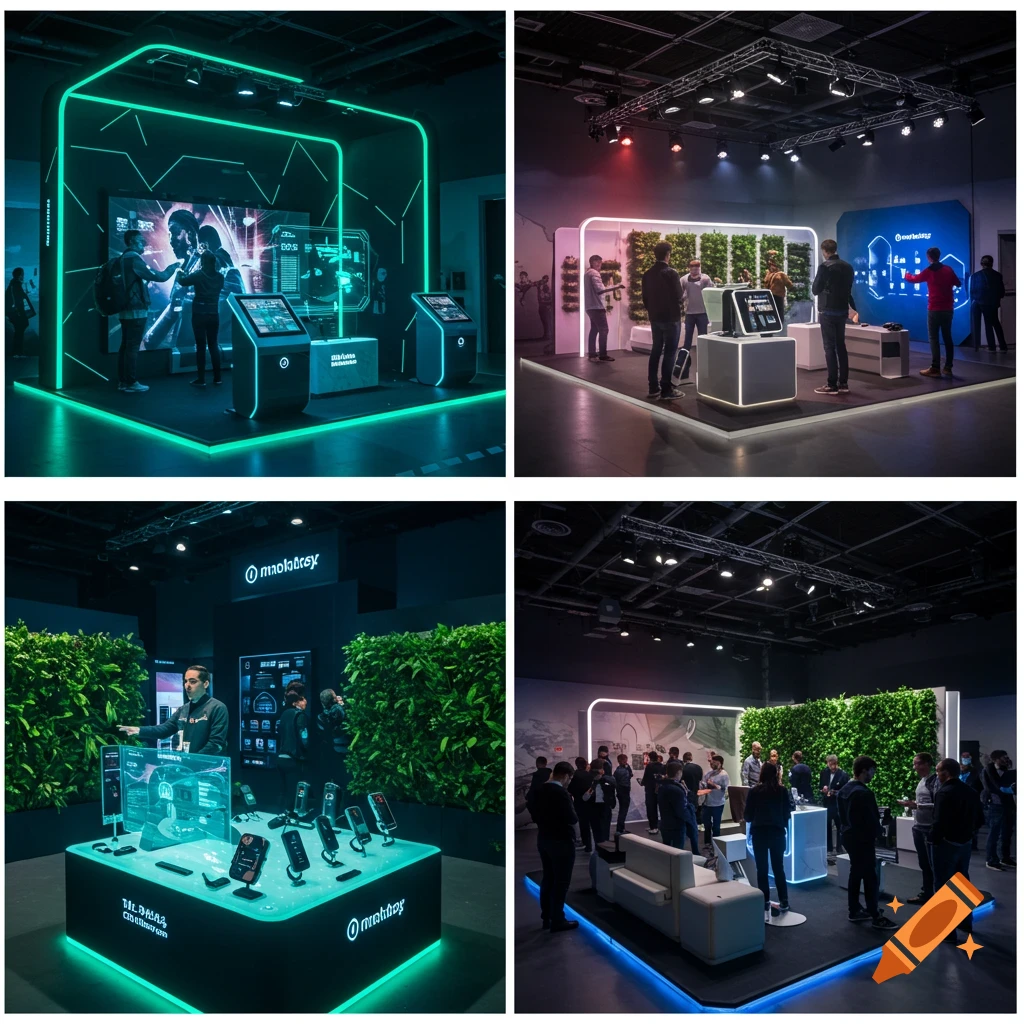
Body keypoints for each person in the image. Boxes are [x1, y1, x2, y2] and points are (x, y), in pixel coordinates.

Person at [115, 229, 181, 392]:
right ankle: (130, 382)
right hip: (136, 310)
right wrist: (173, 268)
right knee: (132, 347)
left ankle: (123, 381)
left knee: (125, 346)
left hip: (125, 309)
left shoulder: (122, 259)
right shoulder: (133, 259)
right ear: (131, 241)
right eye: (139, 240)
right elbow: (159, 276)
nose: (144, 243)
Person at [929, 757, 986, 942]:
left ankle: (947, 932)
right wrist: (968, 835)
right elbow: (980, 819)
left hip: (946, 844)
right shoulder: (970, 791)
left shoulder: (944, 793)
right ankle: (966, 922)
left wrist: (934, 840)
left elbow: (939, 823)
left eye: (938, 771)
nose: (937, 775)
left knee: (943, 885)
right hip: (965, 844)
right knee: (961, 883)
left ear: (946, 773)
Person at [838, 755, 898, 930]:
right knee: (870, 876)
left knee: (855, 872)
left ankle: (855, 909)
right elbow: (871, 820)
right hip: (862, 839)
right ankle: (875, 915)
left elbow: (842, 817)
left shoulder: (843, 790)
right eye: (872, 771)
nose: (873, 774)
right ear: (864, 770)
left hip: (849, 836)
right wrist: (880, 834)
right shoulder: (864, 793)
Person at [117, 665, 227, 755]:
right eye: (185, 681)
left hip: (208, 770)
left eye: (192, 681)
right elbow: (164, 730)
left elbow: (215, 744)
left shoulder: (217, 708)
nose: (187, 686)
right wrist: (138, 730)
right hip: (187, 768)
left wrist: (195, 762)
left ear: (205, 684)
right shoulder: (183, 709)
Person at [532, 760, 580, 931]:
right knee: (561, 882)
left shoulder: (538, 790)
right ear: (566, 775)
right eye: (570, 778)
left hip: (543, 838)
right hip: (562, 841)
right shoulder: (561, 793)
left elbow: (533, 811)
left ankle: (546, 917)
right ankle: (558, 920)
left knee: (548, 878)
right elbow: (572, 818)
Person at [904, 247, 962, 378]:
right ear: (939, 255)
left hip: (934, 309)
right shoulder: (948, 269)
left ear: (929, 257)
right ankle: (948, 367)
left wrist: (906, 275)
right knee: (948, 337)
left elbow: (914, 279)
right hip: (948, 309)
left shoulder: (929, 271)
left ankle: (935, 368)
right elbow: (958, 283)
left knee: (933, 338)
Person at [744, 761, 791, 918]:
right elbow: (787, 814)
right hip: (777, 833)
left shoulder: (754, 791)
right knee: (779, 868)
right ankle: (784, 900)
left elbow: (748, 815)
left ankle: (765, 901)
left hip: (759, 834)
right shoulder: (782, 791)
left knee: (762, 869)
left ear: (761, 773)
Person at [641, 241, 685, 401]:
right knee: (670, 352)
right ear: (668, 254)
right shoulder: (671, 273)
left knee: (656, 350)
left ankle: (653, 387)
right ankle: (667, 389)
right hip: (671, 318)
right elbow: (679, 295)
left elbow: (645, 298)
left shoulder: (647, 274)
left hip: (655, 318)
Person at [811, 238, 854, 396]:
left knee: (829, 348)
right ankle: (843, 383)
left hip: (827, 311)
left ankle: (831, 385)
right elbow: (849, 289)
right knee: (841, 346)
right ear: (835, 249)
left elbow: (815, 289)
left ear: (824, 251)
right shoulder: (848, 267)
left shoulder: (824, 267)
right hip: (842, 311)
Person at [895, 752, 940, 903]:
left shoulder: (935, 781)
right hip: (919, 827)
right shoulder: (923, 781)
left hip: (929, 828)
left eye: (918, 763)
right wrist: (914, 803)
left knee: (933, 864)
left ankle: (936, 895)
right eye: (914, 764)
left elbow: (939, 805)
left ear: (928, 764)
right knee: (924, 863)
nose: (915, 767)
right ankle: (927, 893)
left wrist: (916, 805)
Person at [176, 251, 225, 387]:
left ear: (202, 262)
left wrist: (179, 271)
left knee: (201, 346)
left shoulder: (198, 275)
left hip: (199, 314)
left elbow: (182, 281)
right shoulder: (220, 277)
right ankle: (217, 378)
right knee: (214, 344)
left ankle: (201, 379)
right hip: (214, 313)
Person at [680, 258, 715, 385]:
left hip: (702, 314)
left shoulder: (705, 279)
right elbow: (680, 294)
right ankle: (683, 372)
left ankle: (705, 371)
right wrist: (682, 300)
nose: (695, 269)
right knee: (687, 344)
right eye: (692, 267)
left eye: (697, 267)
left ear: (700, 267)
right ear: (689, 267)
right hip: (689, 314)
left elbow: (712, 293)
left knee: (703, 341)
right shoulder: (684, 279)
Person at [981, 749, 1016, 870]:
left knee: (1007, 832)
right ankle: (991, 860)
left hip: (1006, 805)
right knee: (994, 833)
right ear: (996, 759)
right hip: (994, 805)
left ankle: (1005, 857)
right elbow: (992, 787)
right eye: (1003, 757)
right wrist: (1006, 789)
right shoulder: (988, 771)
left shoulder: (1006, 772)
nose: (1006, 759)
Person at [277, 684, 310, 811]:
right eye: (302, 699)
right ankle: (290, 815)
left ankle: (280, 813)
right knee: (294, 790)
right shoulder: (300, 715)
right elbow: (304, 738)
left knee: (283, 789)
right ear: (296, 702)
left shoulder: (284, 714)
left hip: (281, 757)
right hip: (293, 759)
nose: (305, 701)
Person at [658, 763, 700, 856]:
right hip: (676, 826)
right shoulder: (676, 790)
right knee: (677, 853)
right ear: (679, 772)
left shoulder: (662, 786)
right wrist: (691, 816)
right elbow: (682, 810)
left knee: (667, 852)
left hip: (665, 823)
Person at [968, 255, 1007, 352]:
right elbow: (1002, 292)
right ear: (992, 263)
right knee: (995, 324)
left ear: (981, 264)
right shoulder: (998, 275)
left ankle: (981, 346)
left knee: (978, 325)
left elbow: (972, 291)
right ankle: (1002, 346)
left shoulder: (975, 276)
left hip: (978, 303)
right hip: (992, 304)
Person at [316, 688, 348, 803]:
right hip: (343, 749)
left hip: (328, 751)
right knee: (344, 781)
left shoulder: (320, 717)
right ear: (334, 698)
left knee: (333, 780)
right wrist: (343, 705)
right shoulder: (339, 710)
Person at [584, 254, 618, 362]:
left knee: (594, 329)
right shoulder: (594, 274)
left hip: (589, 306)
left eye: (600, 263)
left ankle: (592, 354)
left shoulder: (587, 274)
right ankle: (602, 355)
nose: (600, 265)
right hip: (597, 306)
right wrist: (614, 287)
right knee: (604, 329)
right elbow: (599, 290)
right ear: (593, 262)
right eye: (598, 262)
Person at [819, 755, 850, 860]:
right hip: (827, 803)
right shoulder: (824, 772)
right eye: (829, 764)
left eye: (833, 764)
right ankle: (829, 848)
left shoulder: (843, 775)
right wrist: (823, 789)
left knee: (839, 825)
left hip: (838, 804)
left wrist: (834, 792)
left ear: (836, 763)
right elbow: (820, 786)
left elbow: (846, 790)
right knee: (827, 825)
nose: (831, 766)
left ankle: (840, 847)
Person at [582, 761, 616, 845]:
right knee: (600, 832)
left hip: (601, 807)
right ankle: (601, 849)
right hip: (597, 808)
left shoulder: (607, 780)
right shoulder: (589, 780)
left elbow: (612, 791)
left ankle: (602, 848)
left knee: (601, 831)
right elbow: (585, 797)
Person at [5, 268, 35, 358]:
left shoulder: (12, 284)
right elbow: (19, 300)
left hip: (13, 312)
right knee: (20, 331)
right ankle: (18, 352)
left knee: (18, 331)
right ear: (20, 275)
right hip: (17, 312)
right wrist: (21, 312)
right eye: (23, 274)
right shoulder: (16, 285)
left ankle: (17, 352)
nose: (23, 276)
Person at [701, 754, 730, 848]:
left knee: (716, 826)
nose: (712, 764)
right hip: (707, 803)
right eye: (711, 762)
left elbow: (726, 789)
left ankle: (716, 845)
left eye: (714, 762)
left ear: (719, 763)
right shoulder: (708, 773)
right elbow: (703, 783)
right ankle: (707, 843)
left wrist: (713, 785)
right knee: (707, 825)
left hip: (718, 804)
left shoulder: (724, 775)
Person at [568, 757, 595, 851]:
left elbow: (570, 789)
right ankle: (590, 845)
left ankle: (586, 844)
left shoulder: (575, 776)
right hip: (590, 802)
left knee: (583, 824)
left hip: (579, 802)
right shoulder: (590, 775)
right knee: (589, 823)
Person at [958, 751, 983, 850]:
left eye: (967, 756)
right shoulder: (958, 771)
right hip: (959, 799)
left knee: (972, 822)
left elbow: (978, 785)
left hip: (971, 799)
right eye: (963, 756)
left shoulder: (975, 771)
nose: (965, 758)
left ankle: (972, 843)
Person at [763, 255, 794, 325]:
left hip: (769, 295)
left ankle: (770, 326)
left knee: (770, 311)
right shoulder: (780, 274)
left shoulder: (768, 274)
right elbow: (789, 284)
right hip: (778, 296)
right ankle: (778, 325)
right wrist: (792, 289)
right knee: (779, 311)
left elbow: (765, 283)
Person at [640, 750, 666, 834]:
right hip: (660, 790)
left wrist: (642, 783)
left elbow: (645, 778)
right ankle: (662, 826)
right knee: (662, 809)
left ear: (649, 757)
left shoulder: (649, 766)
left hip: (650, 790)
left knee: (651, 809)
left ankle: (653, 827)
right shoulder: (662, 766)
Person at [526, 756, 552, 822]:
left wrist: (527, 797)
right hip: (550, 802)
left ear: (537, 764)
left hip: (539, 803)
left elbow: (533, 789)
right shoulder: (551, 773)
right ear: (546, 763)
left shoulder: (537, 775)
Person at [613, 753, 633, 835]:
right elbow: (631, 775)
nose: (626, 761)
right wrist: (628, 767)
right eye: (625, 760)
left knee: (622, 810)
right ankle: (620, 829)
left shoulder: (617, 770)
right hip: (625, 792)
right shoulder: (625, 771)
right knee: (623, 811)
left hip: (619, 792)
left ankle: (620, 828)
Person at [536, 274, 554, 343]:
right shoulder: (540, 285)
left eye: (546, 279)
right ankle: (546, 335)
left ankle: (548, 335)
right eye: (544, 279)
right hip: (542, 305)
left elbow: (549, 297)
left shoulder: (546, 287)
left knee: (546, 321)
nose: (545, 280)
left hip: (546, 306)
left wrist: (549, 305)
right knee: (544, 320)